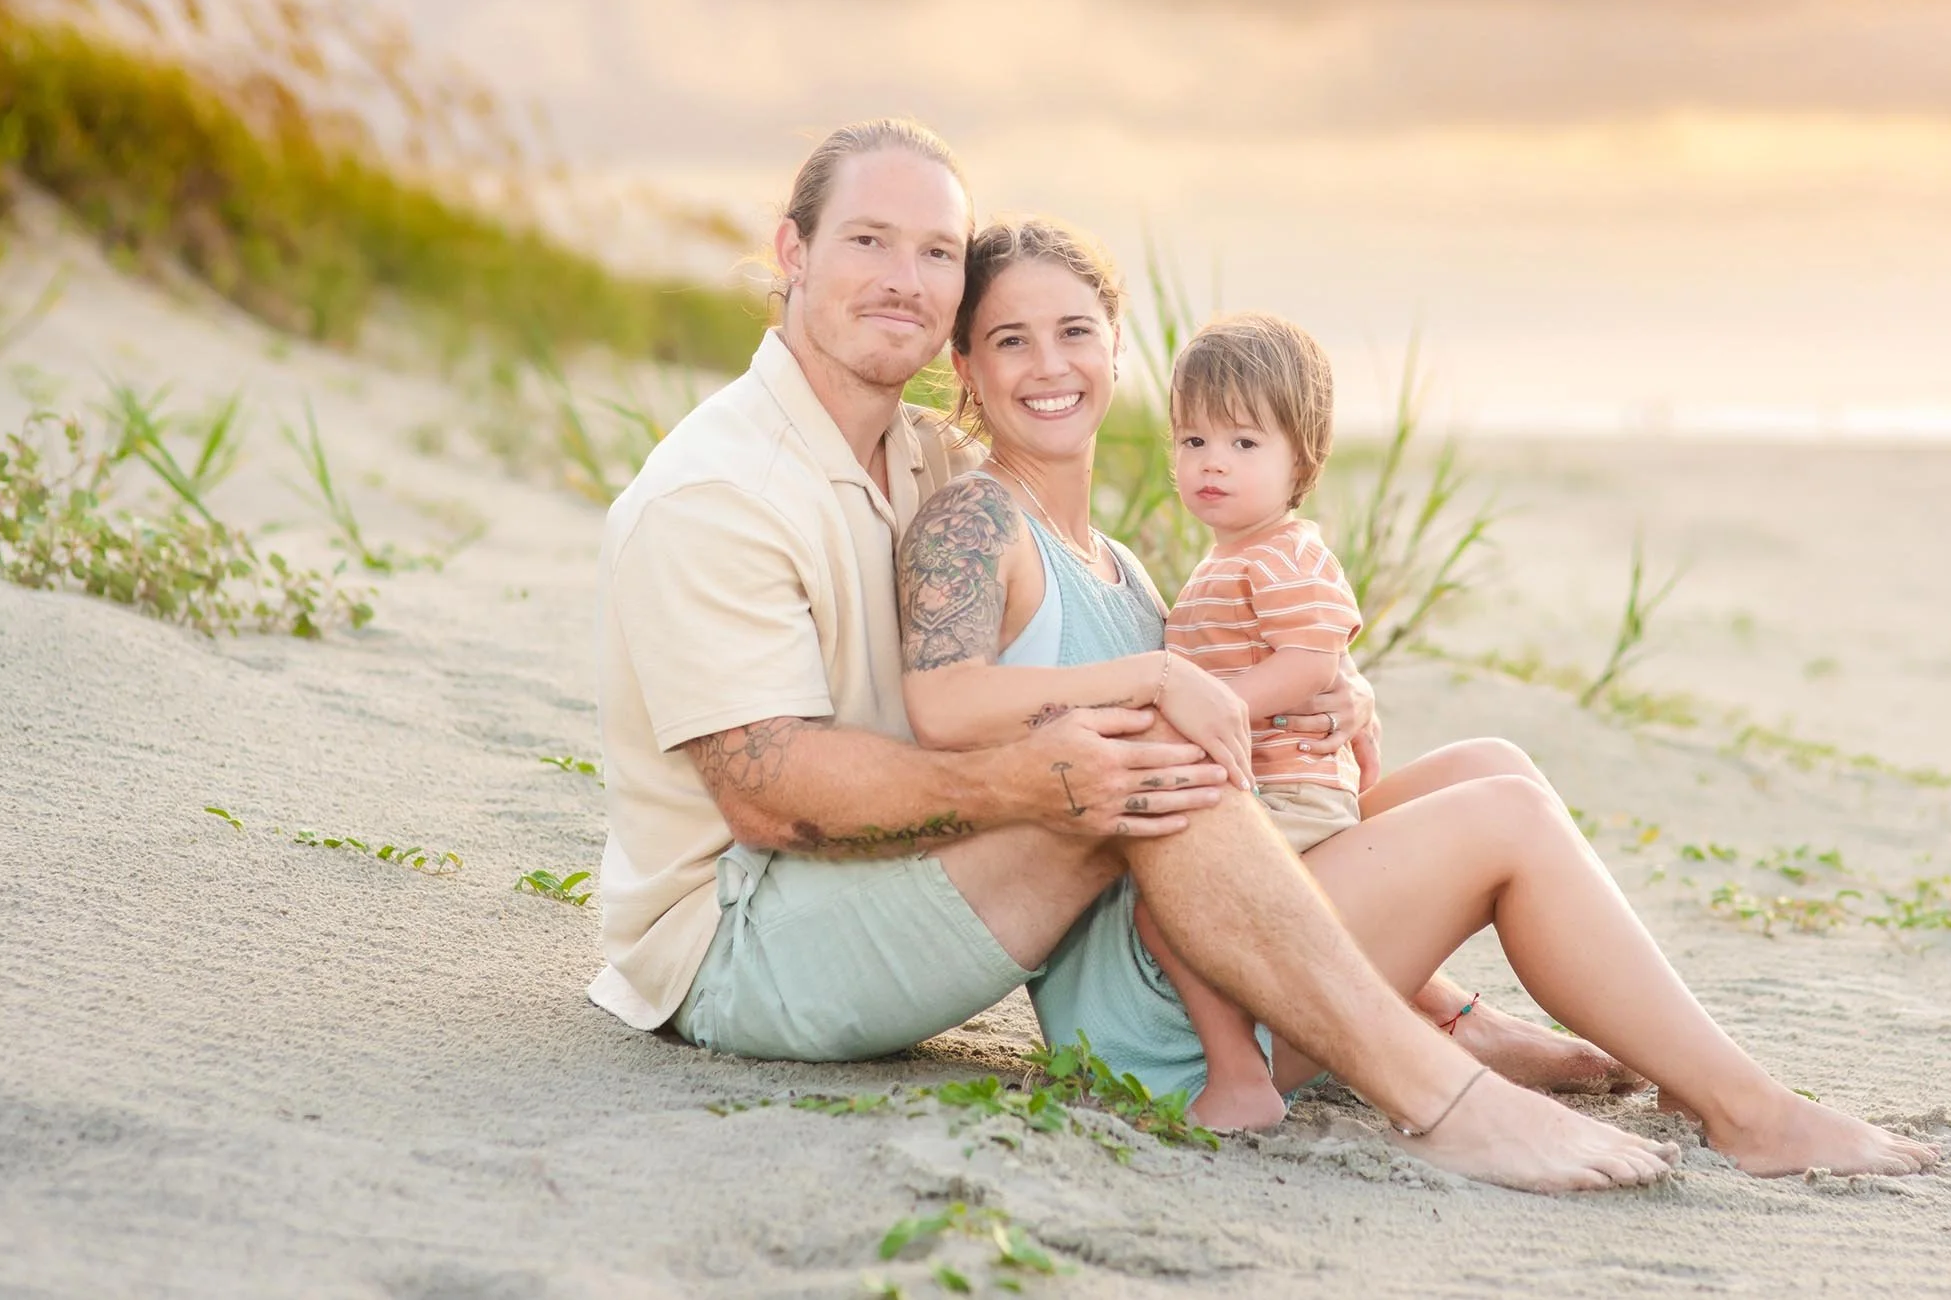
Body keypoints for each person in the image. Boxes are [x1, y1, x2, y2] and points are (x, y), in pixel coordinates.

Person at [589, 119, 1682, 1193]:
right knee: (1132, 757)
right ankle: (1441, 1097)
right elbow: (768, 799)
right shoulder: (717, 493)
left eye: (934, 253)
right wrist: (1035, 773)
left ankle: (1443, 1020)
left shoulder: (920, 460)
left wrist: (1307, 692)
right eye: (867, 240)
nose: (904, 278)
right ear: (792, 252)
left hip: (893, 879)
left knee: (1429, 766)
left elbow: (1044, 546)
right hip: (744, 939)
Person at [897, 216, 1939, 1181]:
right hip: (1157, 991)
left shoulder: (1119, 560)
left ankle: (1566, 1041)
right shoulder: (976, 522)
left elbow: (1227, 725)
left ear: (1115, 351)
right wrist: (1166, 679)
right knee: (1507, 821)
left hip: (1234, 916)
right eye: (1009, 340)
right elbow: (944, 707)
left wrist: (1328, 702)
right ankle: (1749, 1112)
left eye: (1073, 331)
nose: (1048, 366)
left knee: (1494, 765)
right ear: (966, 368)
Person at [1130, 310, 1376, 1129]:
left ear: (1300, 458)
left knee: (1171, 910)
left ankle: (1239, 1075)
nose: (1212, 464)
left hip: (1292, 793)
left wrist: (1212, 708)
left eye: (1243, 444)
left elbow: (1313, 664)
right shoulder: (1229, 557)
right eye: (1193, 442)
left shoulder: (1286, 554)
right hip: (1266, 788)